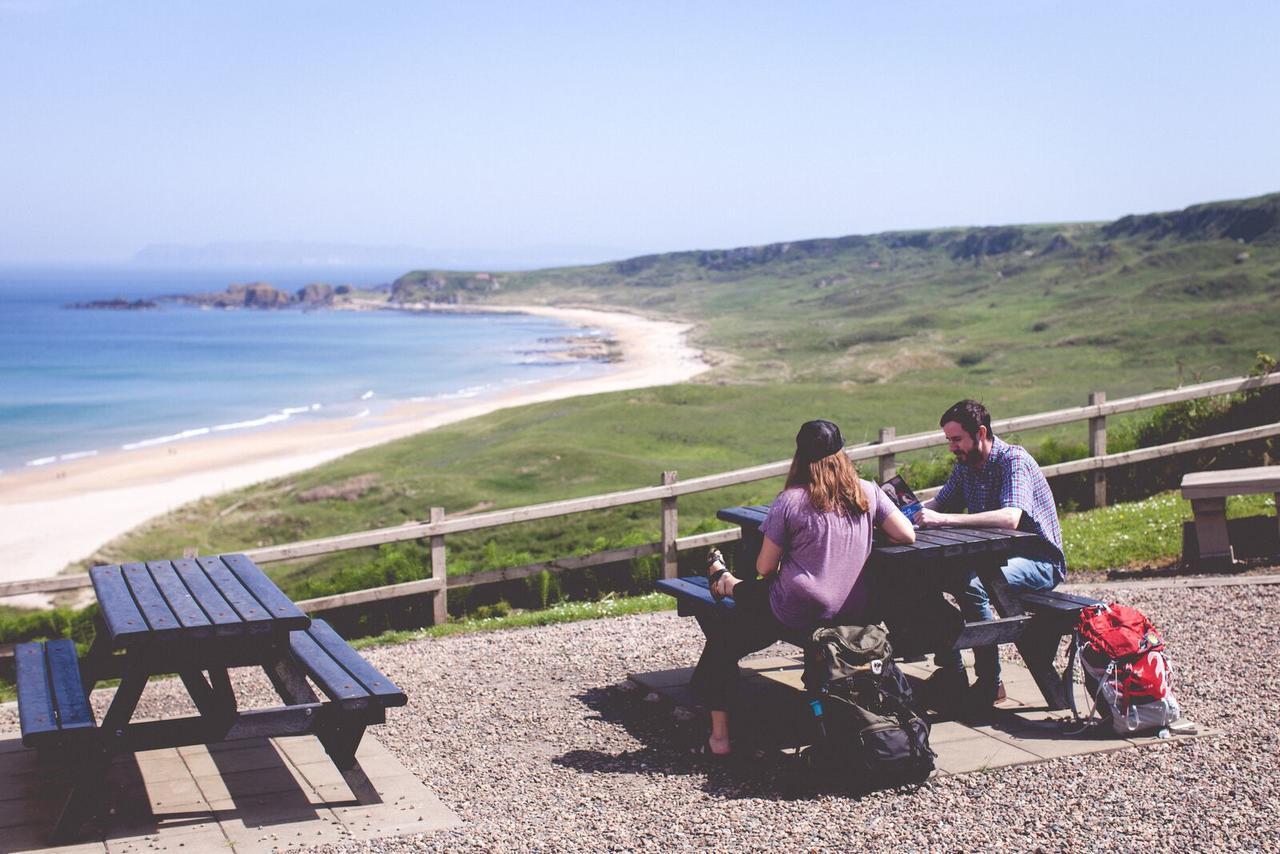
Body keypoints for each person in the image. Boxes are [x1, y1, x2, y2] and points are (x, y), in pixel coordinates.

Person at [690, 419, 916, 756]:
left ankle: (719, 738)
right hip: (852, 608)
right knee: (757, 600)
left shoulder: (791, 501)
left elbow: (764, 568)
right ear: (842, 454)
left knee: (724, 638)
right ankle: (727, 583)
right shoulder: (867, 491)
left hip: (797, 610)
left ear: (800, 457)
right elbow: (907, 534)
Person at [915, 399, 1066, 712]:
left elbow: (1010, 518)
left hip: (1039, 561)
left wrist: (943, 521)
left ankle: (989, 682)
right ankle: (952, 671)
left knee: (974, 583)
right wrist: (901, 513)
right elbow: (939, 504)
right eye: (949, 441)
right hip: (993, 558)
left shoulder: (1014, 461)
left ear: (980, 432)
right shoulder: (967, 466)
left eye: (956, 440)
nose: (952, 448)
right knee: (923, 577)